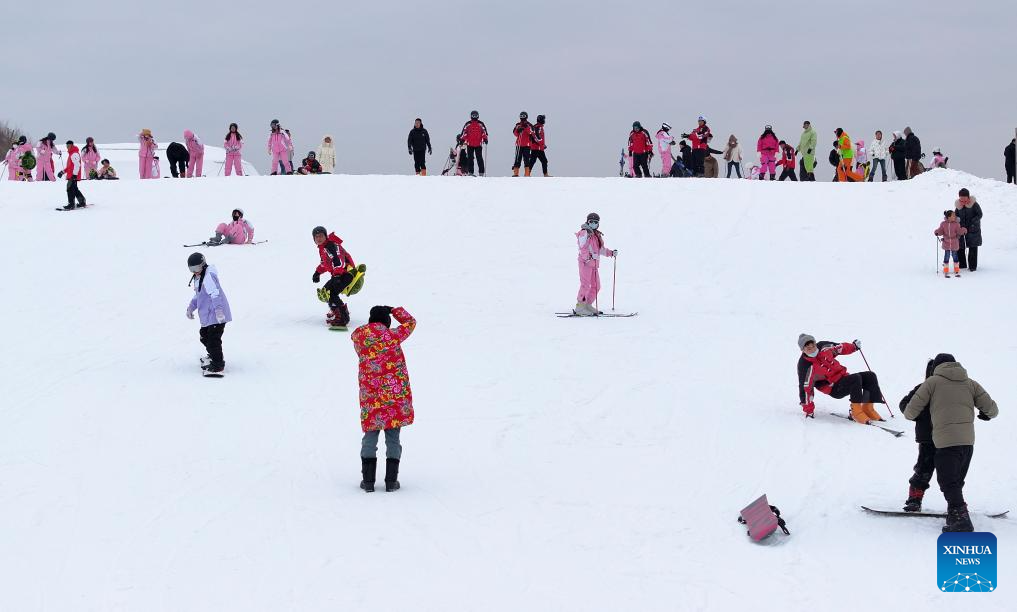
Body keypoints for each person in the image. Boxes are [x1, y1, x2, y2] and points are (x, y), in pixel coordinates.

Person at [904, 353, 998, 532]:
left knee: (948, 481)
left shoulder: (931, 383)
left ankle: (959, 517)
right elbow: (992, 410)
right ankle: (955, 511)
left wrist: (923, 413)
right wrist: (985, 414)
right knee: (955, 480)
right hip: (967, 441)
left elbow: (909, 412)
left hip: (945, 440)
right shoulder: (970, 383)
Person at [352, 305, 416, 492]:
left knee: (370, 435)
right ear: (386, 321)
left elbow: (358, 335)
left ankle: (369, 481)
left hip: (371, 396)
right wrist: (395, 310)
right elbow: (411, 322)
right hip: (394, 395)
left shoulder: (359, 336)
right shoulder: (392, 336)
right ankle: (390, 481)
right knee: (393, 437)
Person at [796, 334, 885, 423]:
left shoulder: (823, 347)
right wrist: (809, 411)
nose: (813, 349)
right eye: (809, 348)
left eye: (813, 346)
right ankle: (855, 412)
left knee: (870, 376)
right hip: (833, 388)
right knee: (855, 379)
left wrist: (854, 346)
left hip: (843, 378)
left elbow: (840, 347)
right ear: (803, 350)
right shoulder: (805, 366)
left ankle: (867, 409)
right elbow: (805, 388)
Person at [899, 359, 937, 512]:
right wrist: (920, 416)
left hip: (946, 437)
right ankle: (914, 499)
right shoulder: (922, 389)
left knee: (949, 472)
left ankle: (955, 502)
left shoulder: (950, 390)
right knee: (923, 469)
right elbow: (904, 404)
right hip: (928, 437)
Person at [185, 252, 233, 375]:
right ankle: (213, 355)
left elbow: (215, 294)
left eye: (196, 268)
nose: (194, 271)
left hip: (217, 315)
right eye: (192, 269)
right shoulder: (198, 278)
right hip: (208, 315)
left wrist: (219, 310)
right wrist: (190, 308)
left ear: (203, 265)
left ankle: (218, 365)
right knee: (204, 336)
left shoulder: (208, 277)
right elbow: (198, 296)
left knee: (213, 340)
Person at [311, 225, 357, 328]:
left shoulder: (331, 246)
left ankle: (343, 318)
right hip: (339, 274)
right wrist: (317, 272)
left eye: (321, 236)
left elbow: (338, 261)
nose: (319, 238)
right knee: (325, 292)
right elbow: (325, 263)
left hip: (346, 273)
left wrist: (336, 275)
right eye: (316, 237)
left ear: (326, 236)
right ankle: (336, 310)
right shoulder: (323, 248)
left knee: (331, 293)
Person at [574, 212, 617, 315]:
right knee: (585, 285)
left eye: (595, 222)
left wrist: (611, 253)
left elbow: (600, 250)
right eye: (591, 221)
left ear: (598, 224)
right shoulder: (584, 233)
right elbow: (582, 247)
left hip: (593, 265)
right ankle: (580, 307)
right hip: (585, 264)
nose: (593, 223)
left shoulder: (596, 235)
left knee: (596, 286)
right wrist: (587, 259)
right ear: (587, 222)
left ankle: (587, 305)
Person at [954, 188, 982, 271]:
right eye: (961, 199)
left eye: (964, 199)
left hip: (973, 229)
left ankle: (972, 267)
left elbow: (979, 214)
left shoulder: (974, 204)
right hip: (961, 229)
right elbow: (956, 216)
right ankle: (962, 265)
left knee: (973, 247)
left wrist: (973, 222)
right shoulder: (958, 206)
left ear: (968, 197)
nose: (963, 201)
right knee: (960, 246)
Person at [935, 209, 966, 277]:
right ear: (948, 217)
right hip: (946, 242)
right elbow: (941, 230)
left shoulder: (956, 224)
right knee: (947, 256)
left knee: (955, 256)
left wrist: (963, 230)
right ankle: (946, 269)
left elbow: (959, 231)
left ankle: (956, 269)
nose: (955, 217)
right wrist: (937, 232)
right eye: (953, 215)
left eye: (955, 215)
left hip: (954, 242)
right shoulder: (943, 224)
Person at [459, 110, 488, 176]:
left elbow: (484, 132)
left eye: (476, 115)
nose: (474, 116)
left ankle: (481, 172)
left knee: (479, 158)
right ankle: (470, 172)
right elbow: (464, 133)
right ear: (471, 116)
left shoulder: (480, 124)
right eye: (473, 115)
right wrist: (462, 140)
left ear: (478, 116)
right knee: (470, 158)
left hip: (478, 144)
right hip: (470, 144)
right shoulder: (468, 124)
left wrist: (485, 138)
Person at [59, 140, 86, 210]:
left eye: (68, 146)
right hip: (72, 175)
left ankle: (71, 204)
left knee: (69, 188)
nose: (67, 147)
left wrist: (74, 175)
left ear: (72, 145)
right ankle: (82, 202)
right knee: (74, 189)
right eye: (66, 146)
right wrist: (62, 172)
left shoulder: (74, 154)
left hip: (73, 176)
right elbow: (70, 167)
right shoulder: (71, 154)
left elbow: (77, 165)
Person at [512, 111, 533, 176]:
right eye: (521, 116)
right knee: (517, 158)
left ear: (526, 117)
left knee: (526, 159)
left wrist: (526, 127)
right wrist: (518, 130)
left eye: (524, 116)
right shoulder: (518, 125)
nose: (522, 118)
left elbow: (531, 132)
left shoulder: (529, 125)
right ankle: (516, 173)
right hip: (519, 144)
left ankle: (527, 174)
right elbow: (515, 133)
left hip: (527, 145)